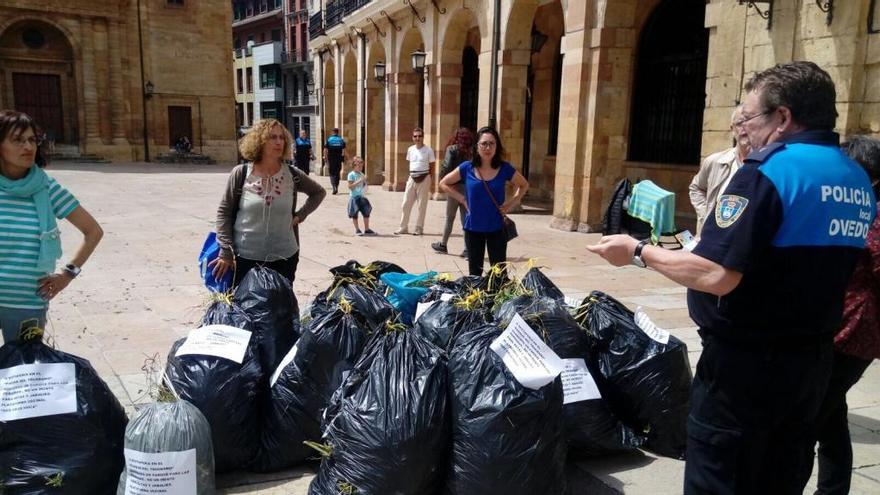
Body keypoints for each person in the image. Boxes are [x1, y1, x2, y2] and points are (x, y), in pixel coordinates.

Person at [586, 61, 876, 494]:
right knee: (781, 475)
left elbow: (718, 273)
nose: (746, 130)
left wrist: (637, 252)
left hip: (745, 372)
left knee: (719, 477)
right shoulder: (855, 178)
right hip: (811, 363)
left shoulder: (769, 173)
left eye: (750, 118)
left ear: (783, 118)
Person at [809, 135, 880, 495]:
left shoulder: (876, 214)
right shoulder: (855, 206)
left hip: (854, 332)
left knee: (811, 416)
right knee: (831, 414)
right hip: (834, 326)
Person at [0, 110, 103, 343]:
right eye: (17, 140)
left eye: (31, 140)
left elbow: (93, 231)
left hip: (27, 303)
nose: (27, 146)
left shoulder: (47, 187)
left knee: (24, 371)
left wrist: (67, 275)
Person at [211, 118, 326, 287]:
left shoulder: (292, 175)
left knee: (280, 311)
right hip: (245, 257)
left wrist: (300, 216)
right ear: (259, 141)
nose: (279, 142)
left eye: (282, 137)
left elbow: (318, 193)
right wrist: (226, 252)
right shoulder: (241, 173)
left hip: (284, 257)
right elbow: (224, 212)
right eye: (273, 137)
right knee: (246, 311)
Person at [439, 126, 529, 276]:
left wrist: (511, 204)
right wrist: (462, 199)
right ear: (477, 146)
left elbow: (524, 184)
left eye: (492, 143)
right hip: (473, 228)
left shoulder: (504, 168)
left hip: (496, 228)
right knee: (475, 275)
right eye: (484, 144)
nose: (488, 148)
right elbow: (443, 183)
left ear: (497, 146)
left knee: (499, 275)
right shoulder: (467, 168)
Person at [689, 106, 752, 235]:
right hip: (711, 240)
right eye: (740, 123)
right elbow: (696, 188)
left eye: (750, 122)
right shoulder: (715, 162)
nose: (745, 128)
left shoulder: (769, 166)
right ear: (732, 129)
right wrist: (706, 214)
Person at [432, 127, 473, 257]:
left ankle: (443, 244)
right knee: (465, 219)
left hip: (454, 187)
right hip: (468, 187)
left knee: (450, 218)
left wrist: (443, 179)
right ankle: (467, 249)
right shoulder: (473, 151)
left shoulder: (452, 149)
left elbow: (447, 165)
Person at [395, 127, 436, 236]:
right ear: (412, 138)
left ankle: (419, 228)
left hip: (424, 177)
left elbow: (432, 165)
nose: (417, 138)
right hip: (412, 177)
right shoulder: (410, 149)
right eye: (415, 136)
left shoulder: (428, 150)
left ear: (423, 137)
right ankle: (403, 227)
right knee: (405, 203)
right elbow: (410, 162)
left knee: (421, 205)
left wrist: (430, 178)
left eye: (419, 136)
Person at [347, 156, 376, 236]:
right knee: (354, 214)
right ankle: (357, 229)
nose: (361, 168)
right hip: (354, 198)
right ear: (354, 166)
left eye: (361, 166)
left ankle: (367, 229)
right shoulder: (351, 175)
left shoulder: (362, 174)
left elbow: (364, 184)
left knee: (366, 212)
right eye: (359, 166)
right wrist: (360, 180)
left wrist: (365, 182)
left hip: (362, 196)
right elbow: (350, 187)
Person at [323, 127, 346, 194]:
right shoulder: (341, 140)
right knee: (337, 173)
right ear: (338, 132)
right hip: (338, 158)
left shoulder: (329, 139)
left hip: (331, 158)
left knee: (332, 173)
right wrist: (342, 157)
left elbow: (325, 150)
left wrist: (325, 157)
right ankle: (336, 186)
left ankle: (334, 187)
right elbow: (343, 150)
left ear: (333, 132)